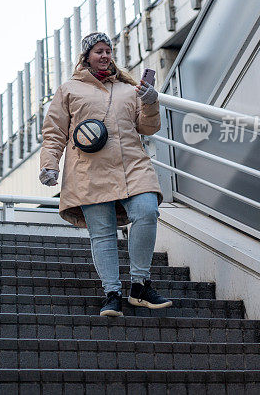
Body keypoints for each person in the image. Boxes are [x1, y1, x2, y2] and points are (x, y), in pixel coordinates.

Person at [39, 31, 171, 317]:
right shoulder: (69, 90)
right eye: (99, 51)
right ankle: (112, 293)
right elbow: (54, 131)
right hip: (89, 171)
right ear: (86, 56)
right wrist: (50, 163)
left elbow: (148, 128)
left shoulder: (128, 88)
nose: (105, 55)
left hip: (132, 165)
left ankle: (140, 285)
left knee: (147, 211)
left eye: (108, 51)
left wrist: (150, 101)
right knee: (102, 234)